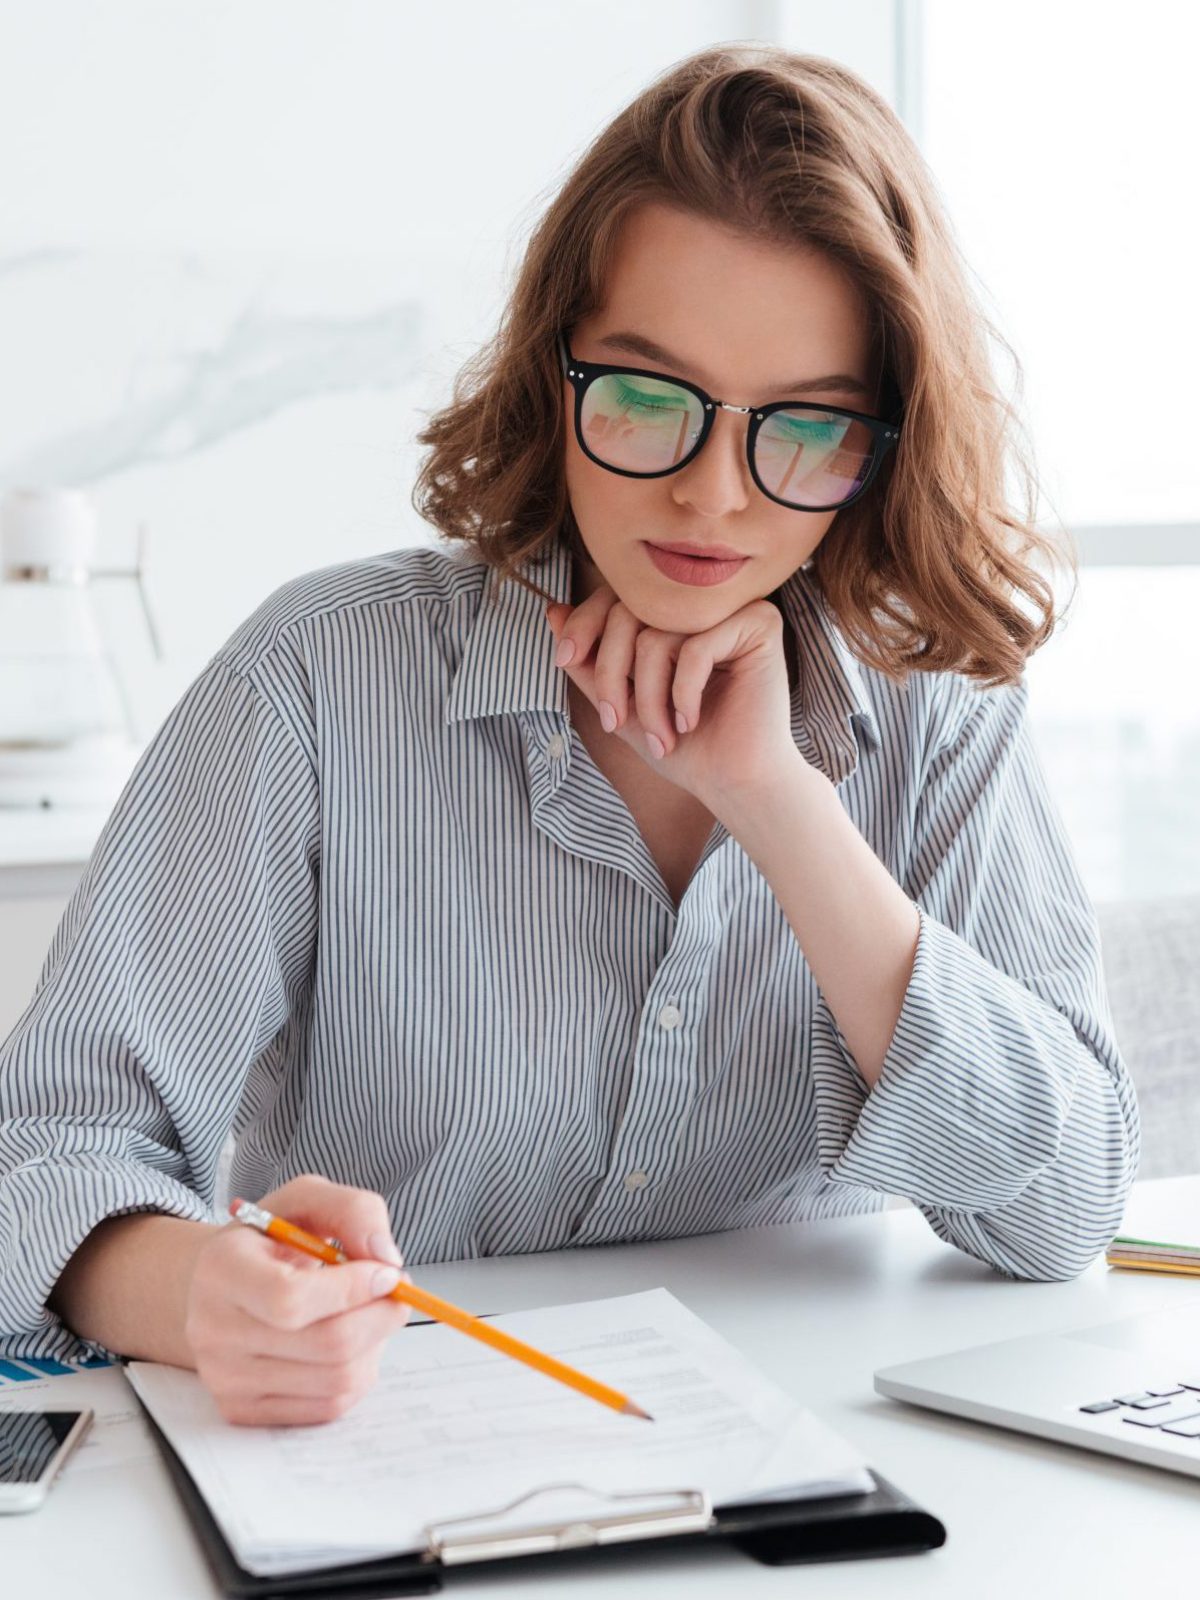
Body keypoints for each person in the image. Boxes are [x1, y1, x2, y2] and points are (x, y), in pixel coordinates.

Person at [0, 44, 1138, 1427]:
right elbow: (45, 1152)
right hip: (380, 1467)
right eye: (650, 400)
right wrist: (202, 1291)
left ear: (883, 442)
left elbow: (1064, 1208)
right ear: (558, 375)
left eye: (807, 426)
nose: (715, 496)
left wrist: (781, 804)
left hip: (818, 1477)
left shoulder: (939, 713)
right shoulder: (315, 678)